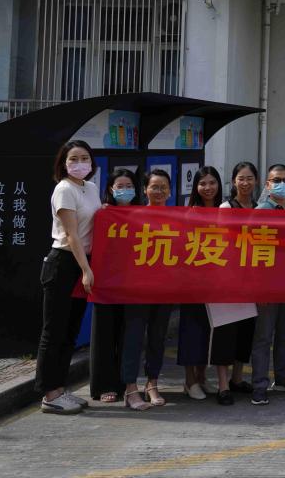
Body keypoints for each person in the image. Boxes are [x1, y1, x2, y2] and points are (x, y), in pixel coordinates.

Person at [36, 140, 101, 414]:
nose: (79, 163)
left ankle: (60, 388)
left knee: (70, 331)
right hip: (63, 263)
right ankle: (49, 394)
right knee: (54, 332)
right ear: (63, 163)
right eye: (73, 159)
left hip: (83, 263)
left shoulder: (91, 187)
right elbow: (72, 235)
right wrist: (86, 270)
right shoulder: (64, 189)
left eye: (84, 158)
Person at [249, 164, 285, 404]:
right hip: (267, 285)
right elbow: (252, 253)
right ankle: (259, 385)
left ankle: (283, 377)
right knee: (263, 337)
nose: (282, 184)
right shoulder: (260, 212)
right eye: (277, 180)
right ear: (268, 184)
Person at [121, 168, 176, 410]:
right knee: (133, 336)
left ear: (170, 191)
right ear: (145, 190)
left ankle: (152, 384)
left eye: (164, 187)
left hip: (165, 288)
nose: (159, 191)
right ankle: (130, 388)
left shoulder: (178, 218)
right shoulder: (133, 216)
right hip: (137, 288)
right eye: (154, 187)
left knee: (157, 337)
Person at [179, 166, 231, 403]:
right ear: (195, 187)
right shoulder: (190, 213)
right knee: (192, 330)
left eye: (212, 182)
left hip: (219, 282)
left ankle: (201, 377)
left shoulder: (226, 210)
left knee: (210, 331)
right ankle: (189, 380)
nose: (208, 188)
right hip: (194, 282)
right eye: (203, 183)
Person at [88, 168, 138, 405]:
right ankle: (104, 385)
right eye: (120, 186)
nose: (125, 190)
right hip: (106, 282)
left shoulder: (142, 214)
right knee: (104, 333)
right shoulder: (102, 213)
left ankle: (124, 382)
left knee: (127, 333)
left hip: (132, 283)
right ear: (110, 189)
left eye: (129, 186)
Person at [216, 161, 259, 396]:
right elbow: (225, 242)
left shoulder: (260, 207)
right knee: (226, 331)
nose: (245, 183)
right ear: (234, 181)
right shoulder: (226, 207)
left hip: (252, 280)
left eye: (249, 178)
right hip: (229, 279)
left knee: (246, 330)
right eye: (241, 178)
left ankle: (237, 378)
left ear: (256, 181)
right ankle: (223, 384)